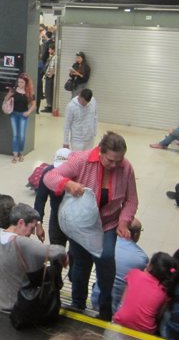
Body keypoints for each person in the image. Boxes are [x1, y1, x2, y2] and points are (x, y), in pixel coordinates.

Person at [44, 131, 139, 321]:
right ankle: (78, 303)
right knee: (81, 263)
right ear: (100, 152)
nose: (115, 165)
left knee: (106, 260)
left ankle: (105, 308)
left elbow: (131, 200)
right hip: (82, 227)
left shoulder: (126, 168)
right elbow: (50, 177)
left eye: (118, 161)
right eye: (110, 160)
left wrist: (123, 221)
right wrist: (67, 183)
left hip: (108, 224)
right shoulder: (81, 160)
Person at [0, 203, 67, 312]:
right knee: (51, 271)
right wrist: (64, 257)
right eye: (31, 228)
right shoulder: (23, 243)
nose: (31, 233)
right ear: (21, 222)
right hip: (14, 305)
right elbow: (58, 250)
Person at [92, 219, 150, 313]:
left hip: (96, 300)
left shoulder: (106, 246)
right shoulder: (142, 258)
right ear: (136, 234)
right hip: (117, 309)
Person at [113, 252, 178, 335]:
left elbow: (122, 302)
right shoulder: (165, 291)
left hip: (121, 322)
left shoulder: (134, 274)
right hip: (145, 331)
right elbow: (158, 316)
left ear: (150, 266)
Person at [33, 148, 70, 246]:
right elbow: (40, 200)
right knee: (55, 247)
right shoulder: (48, 173)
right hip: (56, 214)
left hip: (74, 218)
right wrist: (38, 223)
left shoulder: (79, 174)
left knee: (75, 253)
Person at [6, 72, 36, 163]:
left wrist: (29, 112)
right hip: (14, 114)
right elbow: (6, 99)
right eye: (19, 82)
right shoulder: (14, 90)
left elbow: (34, 104)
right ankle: (15, 154)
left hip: (23, 115)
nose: (20, 84)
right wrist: (8, 94)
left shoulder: (29, 92)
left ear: (26, 83)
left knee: (22, 136)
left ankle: (21, 152)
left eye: (22, 82)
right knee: (15, 135)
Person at [43, 42, 57, 113]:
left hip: (50, 77)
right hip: (48, 76)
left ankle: (49, 106)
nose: (49, 51)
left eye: (50, 49)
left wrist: (50, 75)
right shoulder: (51, 57)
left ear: (54, 50)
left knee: (49, 91)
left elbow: (52, 67)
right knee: (47, 91)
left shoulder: (54, 57)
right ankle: (48, 104)